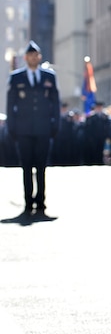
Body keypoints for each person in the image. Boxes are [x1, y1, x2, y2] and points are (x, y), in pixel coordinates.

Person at [5, 41, 60, 218]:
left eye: (36, 55)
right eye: (30, 55)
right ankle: (29, 202)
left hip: (44, 129)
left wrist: (55, 125)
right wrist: (12, 128)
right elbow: (10, 105)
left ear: (40, 57)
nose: (33, 58)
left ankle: (41, 201)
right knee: (27, 167)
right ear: (25, 58)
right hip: (23, 130)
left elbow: (55, 103)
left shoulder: (49, 76)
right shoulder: (16, 77)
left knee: (42, 167)